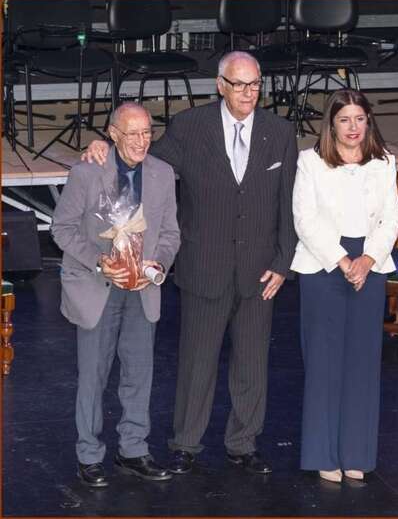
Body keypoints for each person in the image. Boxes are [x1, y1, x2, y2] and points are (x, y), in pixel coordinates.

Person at [82, 51, 298, 475]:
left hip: (260, 270)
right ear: (220, 85)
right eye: (239, 84)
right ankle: (185, 444)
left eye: (255, 84)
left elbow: (289, 201)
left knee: (252, 363)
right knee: (197, 362)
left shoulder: (281, 131)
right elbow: (139, 159)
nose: (248, 93)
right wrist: (104, 149)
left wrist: (283, 260)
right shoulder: (189, 126)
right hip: (204, 265)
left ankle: (243, 444)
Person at [52, 103, 181, 487]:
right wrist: (97, 261)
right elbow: (61, 228)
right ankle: (89, 455)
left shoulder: (162, 174)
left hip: (142, 290)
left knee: (140, 375)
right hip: (98, 289)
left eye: (147, 133)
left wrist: (157, 267)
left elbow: (171, 234)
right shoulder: (86, 173)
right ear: (112, 134)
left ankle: (133, 450)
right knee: (93, 376)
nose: (142, 141)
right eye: (132, 134)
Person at [291, 89, 398, 483]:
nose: (353, 128)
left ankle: (357, 452)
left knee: (362, 364)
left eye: (359, 119)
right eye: (344, 120)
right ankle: (323, 453)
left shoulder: (385, 163)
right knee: (323, 364)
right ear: (331, 124)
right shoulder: (310, 162)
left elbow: (392, 217)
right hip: (323, 267)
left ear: (368, 122)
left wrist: (368, 259)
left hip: (369, 267)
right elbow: (304, 219)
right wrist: (341, 260)